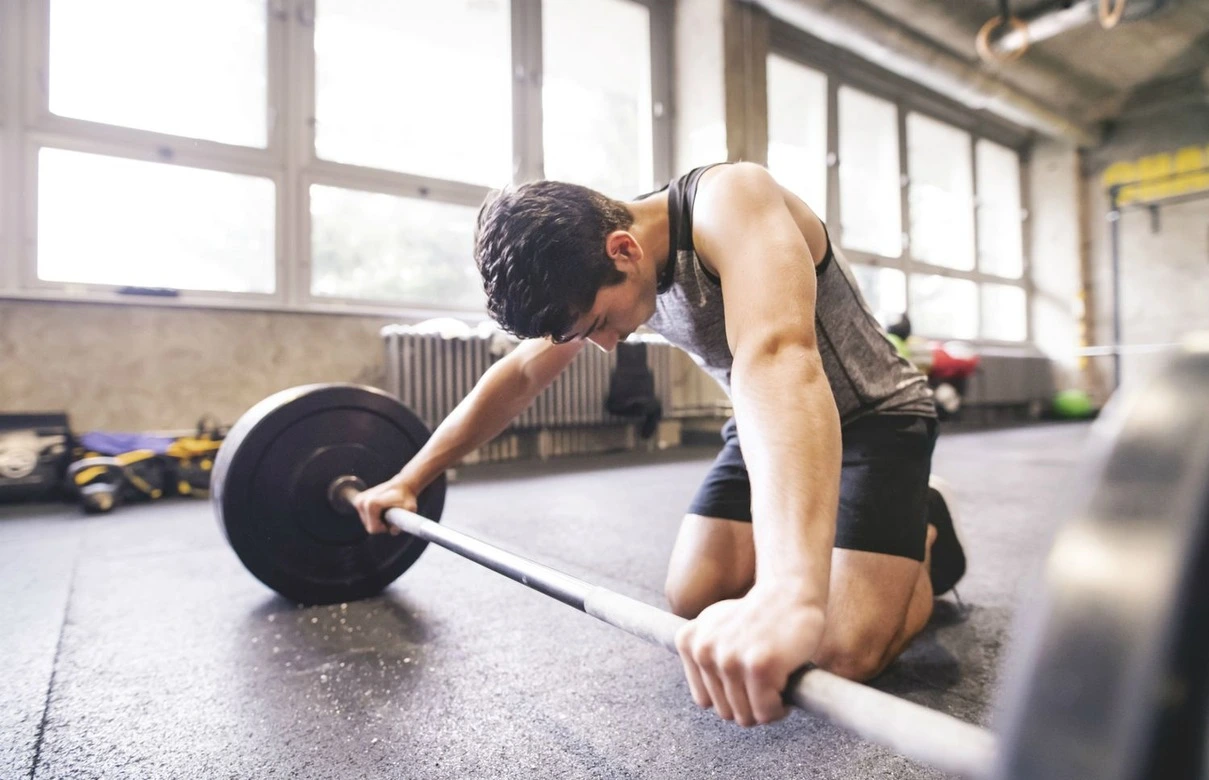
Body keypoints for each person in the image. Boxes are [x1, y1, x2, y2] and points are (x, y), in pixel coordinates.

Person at [354, 162, 967, 728]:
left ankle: (924, 528)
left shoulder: (732, 202)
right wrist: (413, 476)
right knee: (696, 597)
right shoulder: (596, 267)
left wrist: (789, 594)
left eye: (595, 326)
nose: (604, 345)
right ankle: (852, 542)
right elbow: (518, 375)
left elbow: (777, 358)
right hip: (767, 425)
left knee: (837, 651)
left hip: (874, 415)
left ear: (623, 249)